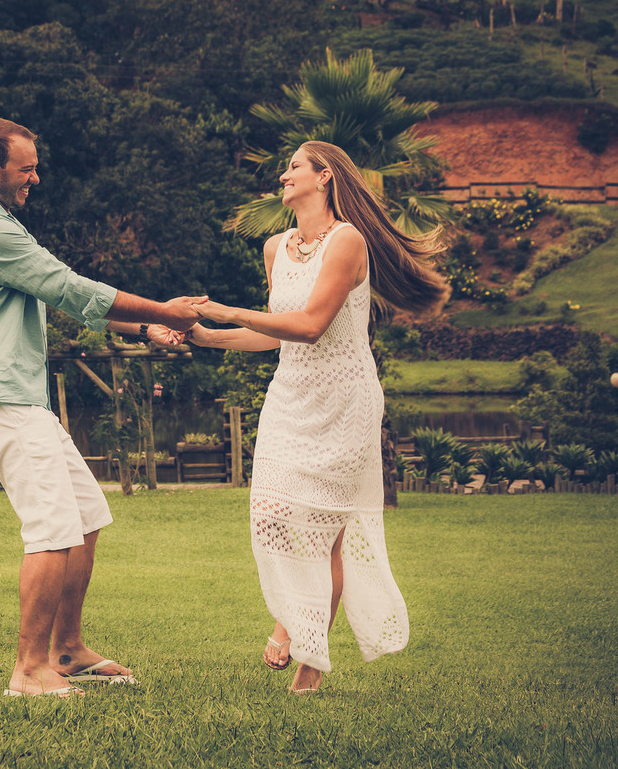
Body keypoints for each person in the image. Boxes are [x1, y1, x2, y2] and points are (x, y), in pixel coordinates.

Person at [0, 118, 203, 698]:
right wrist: (165, 310)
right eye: (26, 167)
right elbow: (67, 287)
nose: (36, 176)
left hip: (20, 393)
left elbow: (57, 295)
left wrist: (143, 327)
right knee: (52, 528)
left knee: (84, 517)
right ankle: (29, 671)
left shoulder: (0, 223)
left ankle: (67, 650)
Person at [188, 140, 448, 694]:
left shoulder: (348, 241)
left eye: (294, 167)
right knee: (275, 510)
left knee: (326, 529)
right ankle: (292, 618)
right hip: (290, 394)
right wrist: (207, 334)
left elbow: (310, 325)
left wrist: (226, 307)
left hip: (344, 398)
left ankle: (309, 658)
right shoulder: (274, 247)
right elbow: (273, 333)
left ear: (324, 176)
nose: (283, 175)